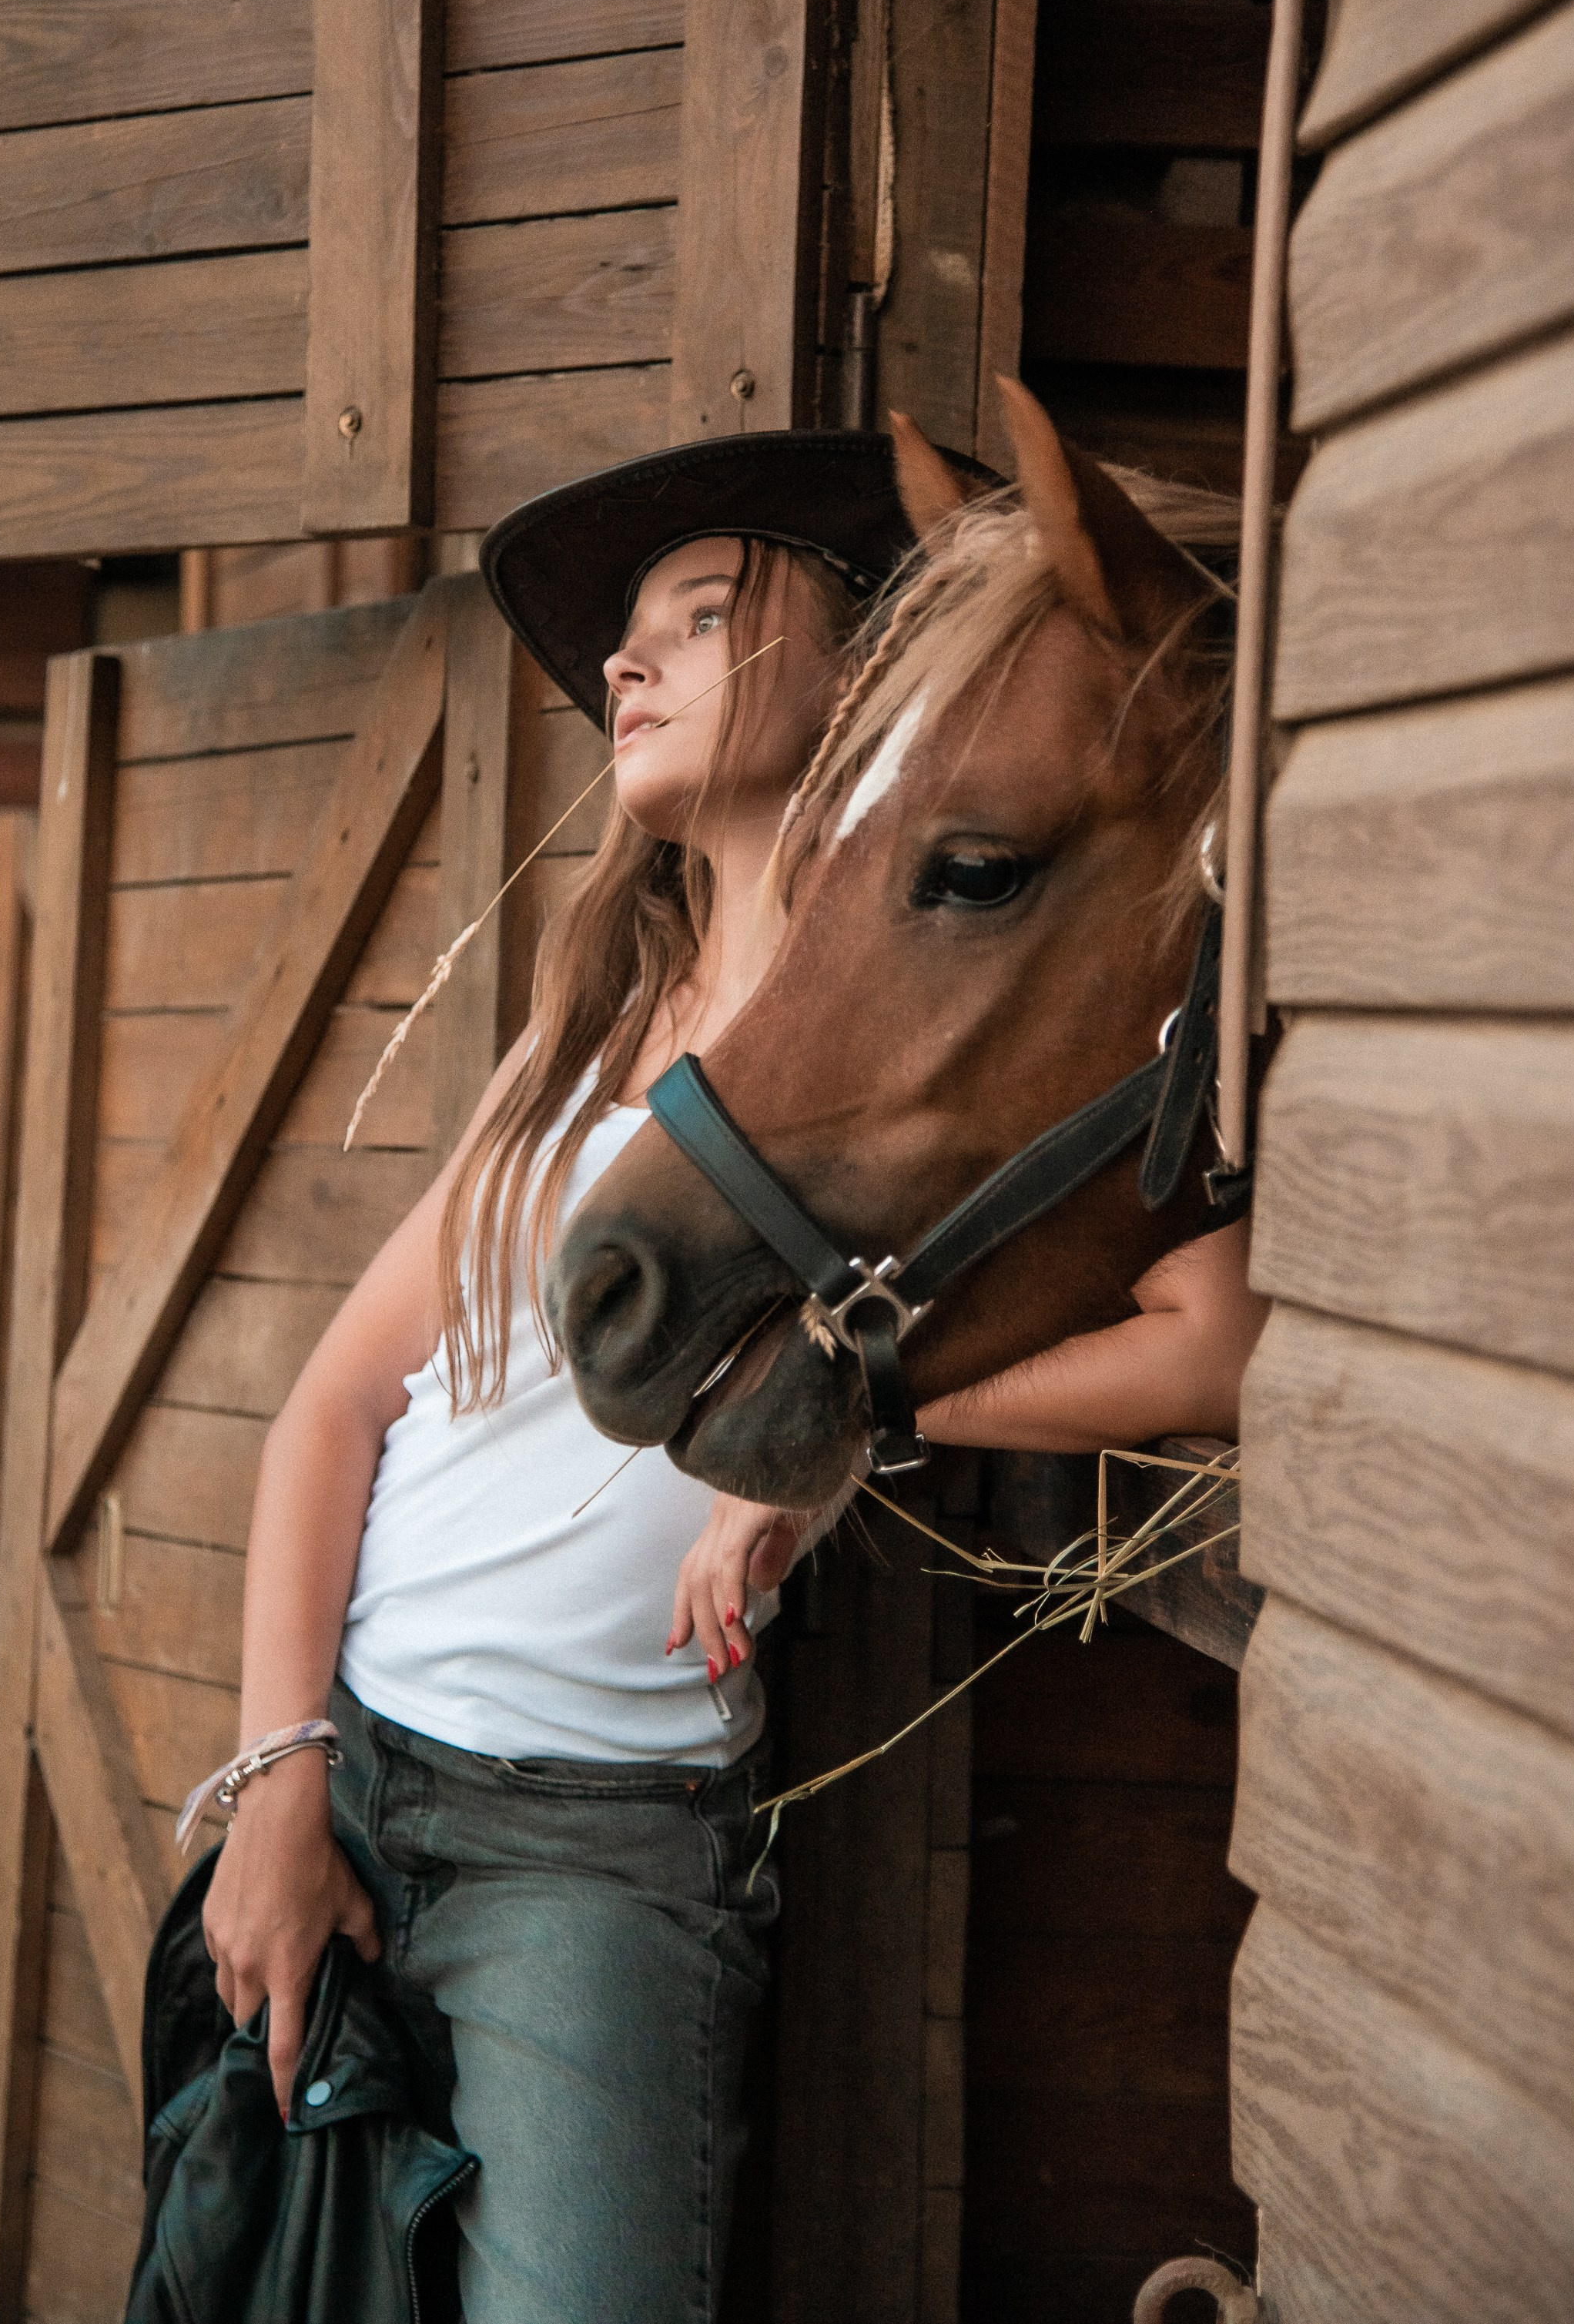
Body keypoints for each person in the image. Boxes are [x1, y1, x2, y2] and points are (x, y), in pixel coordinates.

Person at [199, 430, 1266, 2324]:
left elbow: (1214, 1332)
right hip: (355, 1754)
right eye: (627, 636)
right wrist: (277, 1775)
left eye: (697, 616)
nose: (625, 661)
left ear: (857, 664)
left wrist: (850, 1419)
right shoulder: (595, 1022)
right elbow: (336, 1406)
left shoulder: (926, 998)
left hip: (594, 1840)